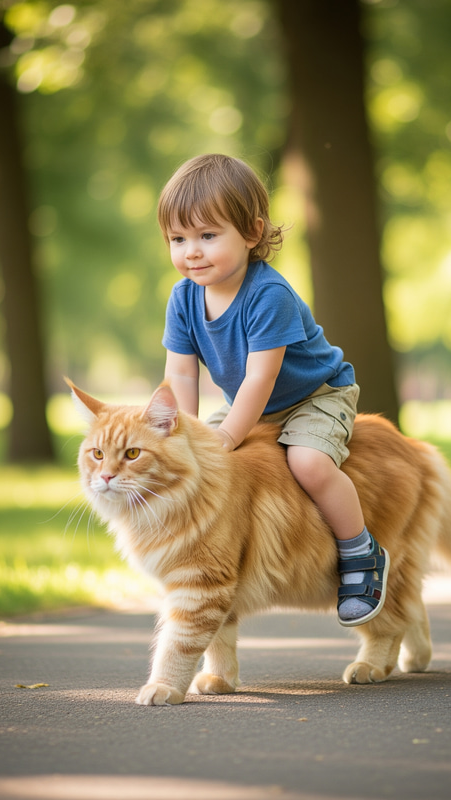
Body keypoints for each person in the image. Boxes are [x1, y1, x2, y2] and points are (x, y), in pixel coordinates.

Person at [158, 153, 388, 627]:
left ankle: (360, 552)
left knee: (308, 463)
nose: (191, 252)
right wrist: (184, 434)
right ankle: (207, 554)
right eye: (178, 239)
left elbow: (261, 378)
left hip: (315, 396)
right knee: (207, 464)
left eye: (207, 235)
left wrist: (225, 438)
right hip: (248, 401)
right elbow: (181, 374)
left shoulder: (269, 295)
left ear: (252, 233)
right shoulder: (182, 298)